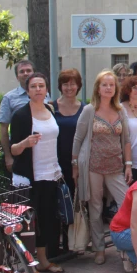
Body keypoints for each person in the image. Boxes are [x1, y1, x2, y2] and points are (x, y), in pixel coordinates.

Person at [72, 70, 132, 265]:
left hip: (115, 167)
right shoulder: (90, 110)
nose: (108, 88)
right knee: (96, 208)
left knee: (127, 203)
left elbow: (126, 141)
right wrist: (75, 164)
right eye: (104, 84)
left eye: (111, 85)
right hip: (93, 166)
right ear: (98, 88)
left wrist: (128, 164)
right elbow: (78, 138)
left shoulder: (121, 110)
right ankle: (99, 248)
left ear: (116, 88)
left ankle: (126, 243)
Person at [9, 72, 63, 273]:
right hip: (31, 177)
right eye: (34, 86)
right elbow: (13, 149)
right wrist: (25, 143)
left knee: (48, 219)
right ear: (27, 90)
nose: (38, 89)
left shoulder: (50, 109)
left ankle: (43, 261)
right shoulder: (21, 115)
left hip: (51, 174)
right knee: (29, 223)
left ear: (47, 89)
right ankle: (28, 266)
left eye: (41, 86)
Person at [51, 69, 85, 253]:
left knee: (72, 203)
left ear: (78, 86)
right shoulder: (51, 107)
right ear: (60, 86)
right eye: (65, 84)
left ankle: (72, 244)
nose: (69, 87)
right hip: (53, 163)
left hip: (76, 165)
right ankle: (54, 247)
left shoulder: (85, 108)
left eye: (73, 83)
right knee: (55, 203)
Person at [0, 60, 36, 173]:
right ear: (17, 77)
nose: (26, 73)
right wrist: (8, 156)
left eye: (29, 70)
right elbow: (3, 128)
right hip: (20, 151)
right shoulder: (9, 98)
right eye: (22, 71)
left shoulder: (45, 95)